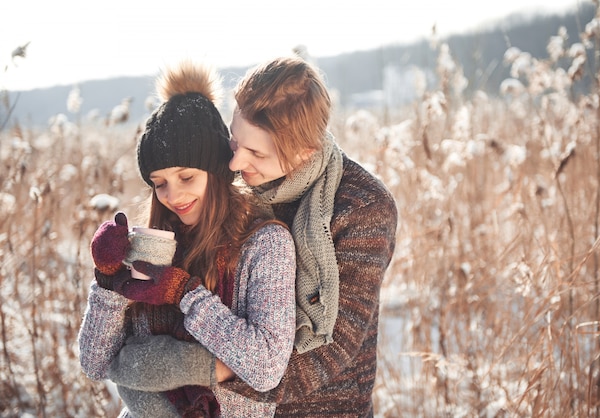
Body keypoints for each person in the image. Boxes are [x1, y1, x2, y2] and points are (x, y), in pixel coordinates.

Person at [112, 55, 399, 416]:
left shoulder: (362, 208)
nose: (235, 164)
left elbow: (332, 350)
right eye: (235, 142)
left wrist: (193, 367)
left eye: (256, 153)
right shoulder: (237, 186)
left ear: (304, 152)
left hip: (322, 407)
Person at [77, 61, 297, 417]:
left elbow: (266, 367)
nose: (173, 195)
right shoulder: (150, 247)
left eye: (186, 177)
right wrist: (106, 280)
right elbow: (94, 363)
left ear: (214, 169)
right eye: (159, 183)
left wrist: (184, 294)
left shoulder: (264, 245)